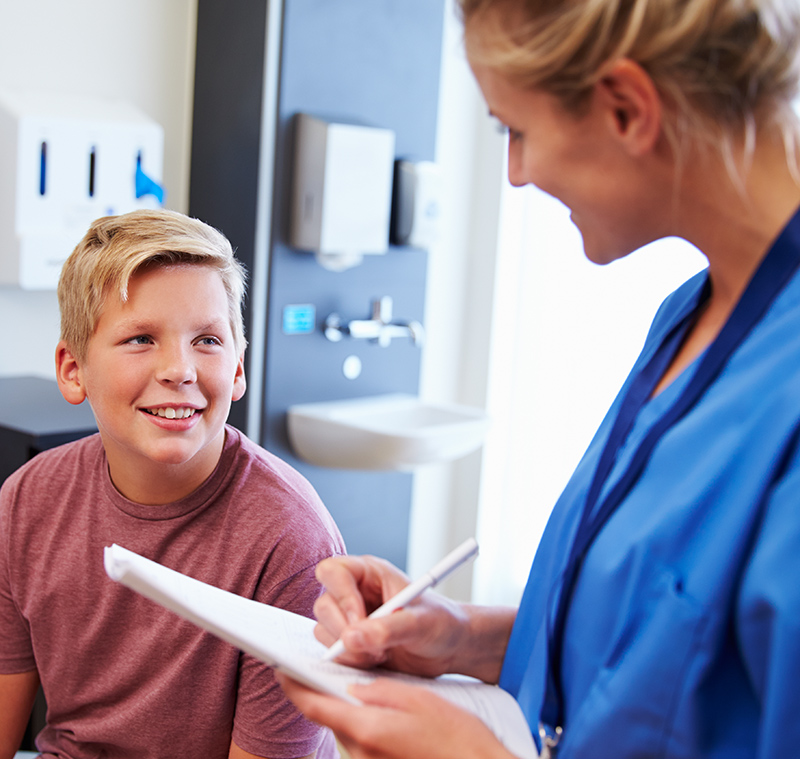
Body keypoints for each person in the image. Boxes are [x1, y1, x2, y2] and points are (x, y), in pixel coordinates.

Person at [276, 0, 800, 757]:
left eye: (514, 132)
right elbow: (665, 657)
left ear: (627, 108)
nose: (516, 175)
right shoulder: (690, 317)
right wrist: (464, 637)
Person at [0, 209, 345, 759]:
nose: (179, 369)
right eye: (140, 338)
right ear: (72, 370)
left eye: (207, 340)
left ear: (236, 370)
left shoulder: (291, 540)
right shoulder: (26, 501)